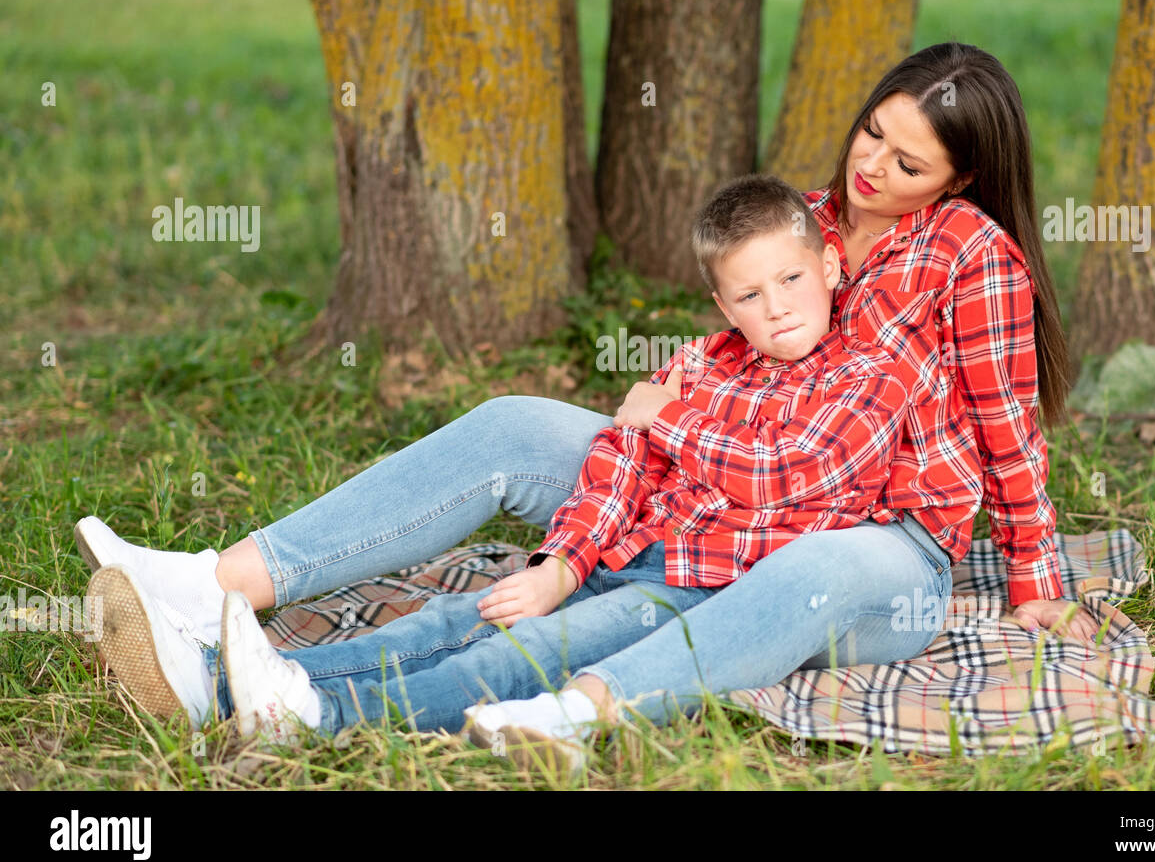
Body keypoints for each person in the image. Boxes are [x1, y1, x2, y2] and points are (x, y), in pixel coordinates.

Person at [75, 41, 1098, 750]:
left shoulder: (971, 256)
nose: (871, 165)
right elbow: (716, 362)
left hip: (878, 544)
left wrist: (1034, 581)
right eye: (871, 133)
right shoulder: (812, 222)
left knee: (804, 563)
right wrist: (653, 432)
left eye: (906, 160)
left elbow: (1009, 436)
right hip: (727, 490)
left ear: (957, 182)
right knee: (522, 425)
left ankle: (563, 709)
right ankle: (211, 587)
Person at [84, 175, 937, 740]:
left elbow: (796, 472)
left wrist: (674, 422)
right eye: (749, 294)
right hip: (627, 549)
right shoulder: (708, 359)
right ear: (722, 301)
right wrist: (564, 560)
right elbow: (619, 459)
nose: (776, 307)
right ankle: (214, 673)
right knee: (464, 619)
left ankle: (315, 709)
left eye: (791, 281)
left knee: (507, 658)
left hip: (697, 589)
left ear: (830, 265)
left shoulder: (872, 371)